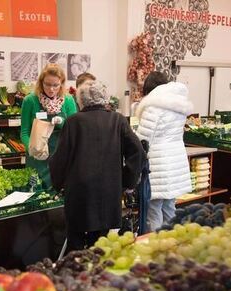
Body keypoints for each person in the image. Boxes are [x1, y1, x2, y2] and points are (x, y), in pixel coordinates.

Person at [49, 81, 145, 251]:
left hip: (79, 192)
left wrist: (58, 185)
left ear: (81, 100)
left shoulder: (73, 122)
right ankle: (98, 275)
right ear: (104, 98)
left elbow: (59, 159)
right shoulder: (118, 120)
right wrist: (126, 181)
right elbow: (138, 152)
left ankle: (76, 275)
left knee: (76, 243)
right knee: (101, 245)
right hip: (108, 192)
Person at [135, 71, 193, 232]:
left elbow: (144, 139)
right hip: (175, 161)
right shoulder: (178, 105)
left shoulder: (153, 107)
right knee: (169, 208)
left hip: (158, 164)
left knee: (153, 211)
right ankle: (172, 246)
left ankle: (155, 249)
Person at [20, 63, 78, 189]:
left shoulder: (68, 100)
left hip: (60, 156)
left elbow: (74, 130)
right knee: (35, 191)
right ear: (41, 82)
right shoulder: (30, 101)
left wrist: (62, 122)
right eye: (47, 84)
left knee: (59, 193)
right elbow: (24, 132)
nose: (51, 89)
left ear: (62, 84)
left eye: (55, 85)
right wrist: (32, 149)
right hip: (36, 158)